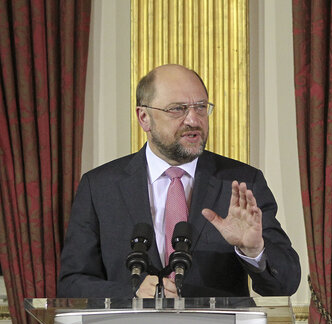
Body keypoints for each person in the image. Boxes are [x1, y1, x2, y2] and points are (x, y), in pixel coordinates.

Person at [57, 64, 301, 298]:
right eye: (177, 109)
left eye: (201, 107)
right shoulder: (100, 187)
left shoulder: (241, 183)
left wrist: (254, 251)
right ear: (144, 118)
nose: (193, 120)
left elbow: (285, 284)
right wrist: (131, 293)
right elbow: (73, 283)